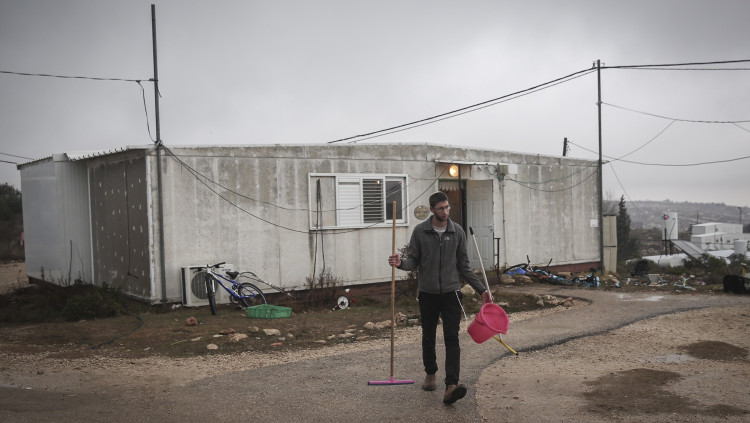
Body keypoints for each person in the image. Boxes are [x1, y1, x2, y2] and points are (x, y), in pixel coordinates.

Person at [388, 191, 492, 404]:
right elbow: (412, 260)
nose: (445, 212)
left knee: (452, 338)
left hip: (452, 293)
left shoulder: (457, 231)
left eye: (447, 207)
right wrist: (400, 263)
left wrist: (482, 290)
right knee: (428, 337)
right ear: (432, 209)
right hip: (428, 294)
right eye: (441, 208)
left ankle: (451, 386)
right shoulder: (420, 231)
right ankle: (430, 373)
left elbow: (464, 265)